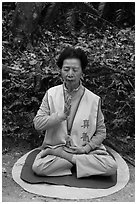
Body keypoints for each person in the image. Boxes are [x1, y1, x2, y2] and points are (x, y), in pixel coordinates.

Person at [32, 46, 117, 178]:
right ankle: (82, 165)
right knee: (39, 167)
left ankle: (69, 159)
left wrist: (85, 148)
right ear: (60, 70)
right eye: (66, 69)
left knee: (111, 167)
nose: (70, 74)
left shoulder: (93, 99)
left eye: (75, 70)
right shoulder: (51, 94)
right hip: (57, 147)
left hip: (83, 152)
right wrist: (61, 116)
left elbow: (101, 132)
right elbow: (38, 124)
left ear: (82, 71)